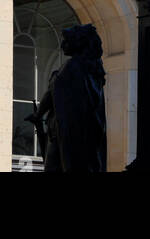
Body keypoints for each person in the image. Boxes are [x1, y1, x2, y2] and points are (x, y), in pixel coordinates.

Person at [33, 24, 107, 172]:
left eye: (66, 41)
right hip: (62, 132)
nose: (62, 45)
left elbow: (55, 93)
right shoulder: (78, 67)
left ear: (78, 43)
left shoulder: (75, 68)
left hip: (69, 134)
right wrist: (38, 114)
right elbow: (52, 94)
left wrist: (39, 114)